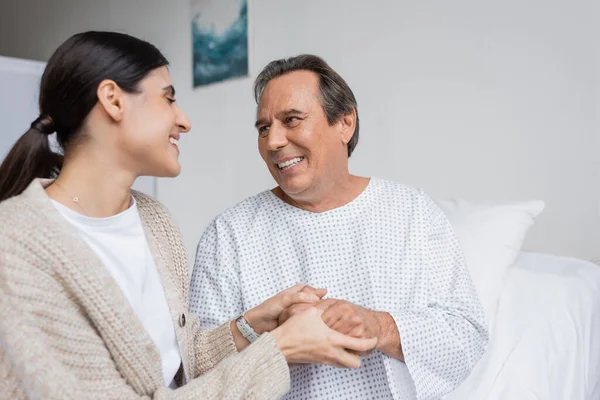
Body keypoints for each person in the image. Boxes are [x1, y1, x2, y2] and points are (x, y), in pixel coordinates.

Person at [0, 34, 377, 400]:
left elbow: (181, 365)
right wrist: (279, 349)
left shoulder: (153, 222)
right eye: (169, 99)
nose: (184, 121)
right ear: (113, 100)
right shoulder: (16, 244)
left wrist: (253, 324)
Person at [190, 54, 489, 400]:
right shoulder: (228, 235)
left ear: (345, 123)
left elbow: (467, 333)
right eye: (263, 128)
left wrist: (378, 327)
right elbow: (197, 371)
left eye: (292, 120)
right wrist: (268, 337)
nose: (273, 142)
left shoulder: (413, 212)